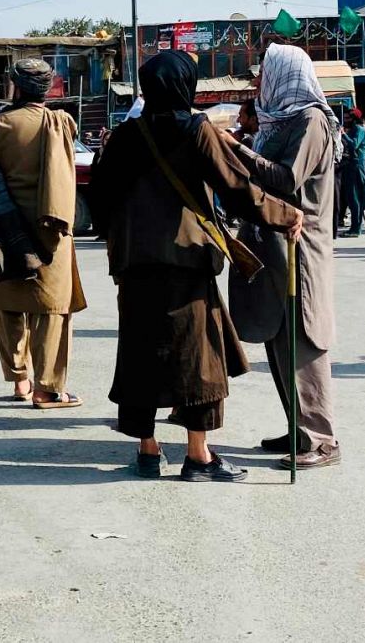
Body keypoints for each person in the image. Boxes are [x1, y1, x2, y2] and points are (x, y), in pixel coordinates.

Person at [92, 53, 303, 482]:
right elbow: (237, 187)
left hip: (134, 262)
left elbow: (99, 197)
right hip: (185, 261)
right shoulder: (197, 130)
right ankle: (199, 456)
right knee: (197, 355)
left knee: (138, 351)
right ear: (185, 86)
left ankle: (147, 451)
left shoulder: (126, 135)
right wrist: (285, 215)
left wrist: (129, 229)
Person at [0, 59, 87, 408]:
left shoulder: (1, 125)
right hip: (50, 227)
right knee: (52, 310)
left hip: (8, 225)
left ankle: (21, 382)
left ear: (16, 87)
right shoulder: (62, 122)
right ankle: (48, 388)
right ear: (47, 89)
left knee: (9, 304)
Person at [227, 43, 341, 470]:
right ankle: (298, 428)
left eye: (264, 75)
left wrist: (238, 150)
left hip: (301, 248)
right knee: (279, 339)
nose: (259, 83)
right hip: (275, 246)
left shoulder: (310, 120)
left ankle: (322, 439)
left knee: (303, 340)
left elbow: (288, 177)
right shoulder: (281, 122)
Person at [336, 109, 365, 238]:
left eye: (348, 118)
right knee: (350, 198)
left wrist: (343, 134)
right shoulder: (353, 130)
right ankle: (354, 226)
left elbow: (353, 145)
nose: (345, 120)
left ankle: (356, 228)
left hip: (356, 166)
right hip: (348, 165)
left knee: (354, 198)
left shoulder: (359, 130)